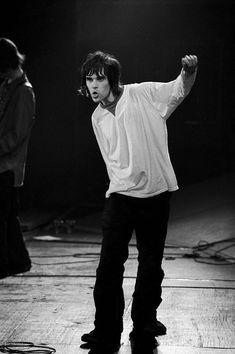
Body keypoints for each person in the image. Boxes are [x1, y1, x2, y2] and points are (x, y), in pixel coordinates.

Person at [79, 50, 198, 353]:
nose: (93, 86)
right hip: (120, 196)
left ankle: (144, 321)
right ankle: (105, 329)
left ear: (112, 79)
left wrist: (187, 72)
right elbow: (112, 159)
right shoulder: (97, 117)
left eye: (99, 79)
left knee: (150, 263)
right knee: (108, 267)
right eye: (89, 79)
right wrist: (120, 183)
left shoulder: (142, 94)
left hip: (155, 194)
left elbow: (177, 91)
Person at [0, 38, 35, 280]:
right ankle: (19, 261)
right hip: (3, 164)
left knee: (3, 218)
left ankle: (6, 264)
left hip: (8, 167)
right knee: (8, 218)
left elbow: (17, 135)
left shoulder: (24, 92)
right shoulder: (7, 85)